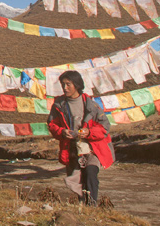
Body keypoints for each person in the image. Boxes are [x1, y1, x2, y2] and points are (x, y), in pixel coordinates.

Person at [47, 70, 114, 205]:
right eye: (63, 84)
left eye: (68, 84)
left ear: (77, 85)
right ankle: (83, 205)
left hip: (92, 147)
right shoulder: (59, 105)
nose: (65, 88)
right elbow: (52, 124)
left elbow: (104, 126)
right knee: (78, 180)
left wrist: (89, 132)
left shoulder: (91, 105)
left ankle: (92, 205)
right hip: (71, 148)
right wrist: (62, 132)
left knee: (90, 172)